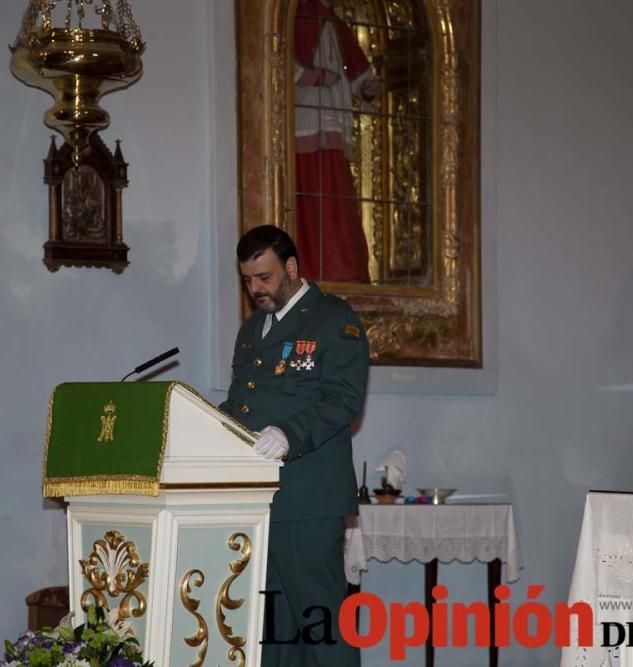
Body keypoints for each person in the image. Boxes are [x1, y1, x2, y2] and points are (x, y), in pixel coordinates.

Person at [220, 224, 368, 666]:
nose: (255, 289)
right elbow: (241, 402)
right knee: (272, 629)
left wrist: (289, 434)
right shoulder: (252, 330)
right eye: (247, 280)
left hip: (307, 496)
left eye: (264, 277)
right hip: (261, 497)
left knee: (320, 622)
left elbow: (343, 399)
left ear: (291, 267)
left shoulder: (334, 320)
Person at [294, 0, 382, 283]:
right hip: (306, 119)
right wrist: (316, 76)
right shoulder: (297, 16)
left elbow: (357, 71)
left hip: (333, 117)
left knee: (336, 196)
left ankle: (344, 269)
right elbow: (282, 61)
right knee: (309, 194)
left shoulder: (336, 23)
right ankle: (313, 270)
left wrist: (368, 87)